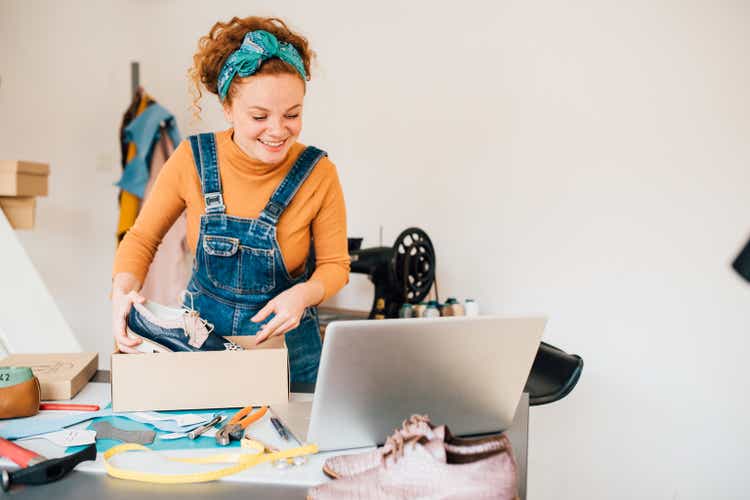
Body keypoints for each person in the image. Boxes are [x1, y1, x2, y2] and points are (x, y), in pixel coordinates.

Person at [111, 16, 350, 383]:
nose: (277, 130)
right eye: (259, 116)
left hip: (290, 354)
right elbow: (142, 238)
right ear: (227, 108)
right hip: (201, 350)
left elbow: (335, 266)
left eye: (293, 114)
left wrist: (303, 295)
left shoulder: (318, 173)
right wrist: (121, 294)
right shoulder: (193, 159)